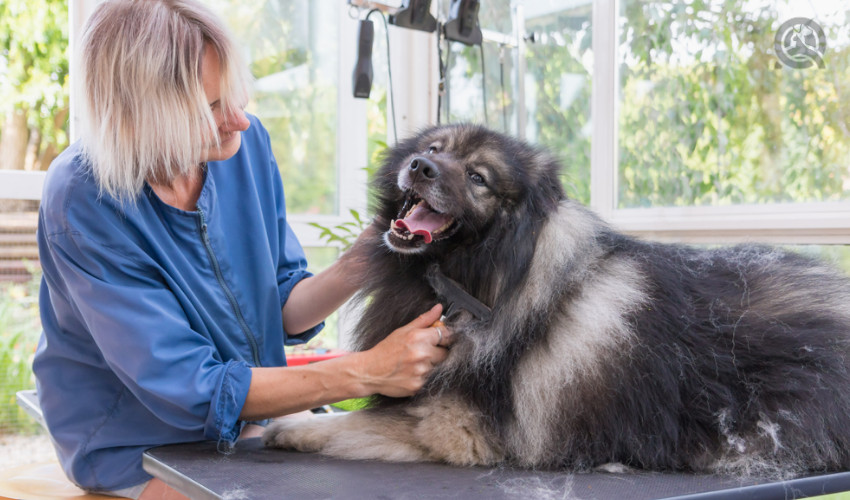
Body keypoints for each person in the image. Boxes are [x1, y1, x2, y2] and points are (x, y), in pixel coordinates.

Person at [32, 1, 452, 498]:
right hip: (138, 443)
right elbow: (193, 387)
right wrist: (367, 371)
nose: (239, 119)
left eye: (233, 92)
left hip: (251, 419)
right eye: (211, 108)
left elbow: (282, 310)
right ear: (138, 120)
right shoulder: (85, 198)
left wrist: (367, 257)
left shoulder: (245, 147)